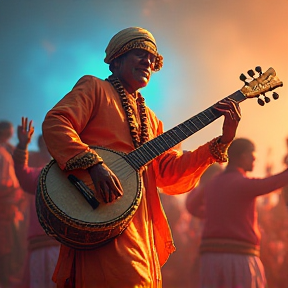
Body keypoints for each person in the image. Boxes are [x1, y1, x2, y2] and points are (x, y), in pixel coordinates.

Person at [40, 26, 241, 288]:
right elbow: (57, 122)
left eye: (152, 58)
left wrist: (222, 141)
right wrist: (94, 165)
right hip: (99, 210)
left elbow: (169, 173)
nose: (148, 61)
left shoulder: (153, 121)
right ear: (116, 60)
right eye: (139, 54)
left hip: (139, 222)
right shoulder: (95, 88)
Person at [187, 138, 288, 288]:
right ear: (243, 156)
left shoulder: (212, 183)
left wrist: (217, 215)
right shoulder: (243, 183)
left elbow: (191, 205)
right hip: (239, 260)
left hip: (210, 261)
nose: (255, 160)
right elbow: (273, 183)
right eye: (252, 156)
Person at [13, 117, 60, 288]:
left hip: (65, 247)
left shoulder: (74, 173)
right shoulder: (42, 174)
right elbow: (23, 175)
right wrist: (22, 145)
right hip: (40, 247)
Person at [0, 120, 27, 288]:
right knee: (7, 247)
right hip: (5, 206)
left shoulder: (6, 150)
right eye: (8, 130)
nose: (10, 132)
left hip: (11, 206)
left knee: (14, 246)